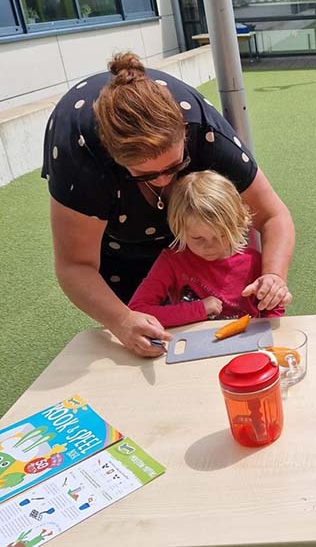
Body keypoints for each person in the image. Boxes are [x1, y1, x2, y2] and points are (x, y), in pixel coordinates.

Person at [42, 52, 294, 357]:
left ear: (185, 134)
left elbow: (273, 216)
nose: (163, 182)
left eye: (176, 166)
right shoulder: (82, 156)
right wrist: (121, 319)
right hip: (119, 257)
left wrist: (274, 276)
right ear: (114, 160)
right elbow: (75, 265)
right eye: (145, 174)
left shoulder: (205, 131)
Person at [129, 171, 288, 327]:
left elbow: (273, 311)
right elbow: (138, 311)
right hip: (192, 345)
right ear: (179, 230)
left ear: (236, 225)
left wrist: (275, 299)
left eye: (220, 236)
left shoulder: (255, 261)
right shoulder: (171, 262)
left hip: (245, 344)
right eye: (197, 238)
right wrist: (199, 309)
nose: (210, 246)